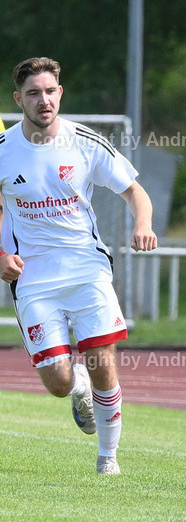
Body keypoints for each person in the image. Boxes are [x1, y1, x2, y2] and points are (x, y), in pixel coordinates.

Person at [0, 57, 159, 475]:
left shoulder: (84, 141)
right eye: (33, 93)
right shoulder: (3, 151)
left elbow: (134, 191)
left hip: (87, 268)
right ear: (19, 99)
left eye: (50, 91)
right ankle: (77, 388)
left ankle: (108, 458)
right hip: (32, 278)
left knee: (101, 360)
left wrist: (142, 224)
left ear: (60, 93)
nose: (43, 100)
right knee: (56, 382)